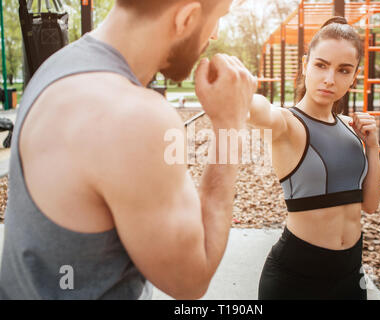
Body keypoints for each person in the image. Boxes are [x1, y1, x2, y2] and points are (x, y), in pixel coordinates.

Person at [0, 0, 257, 299]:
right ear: (187, 18)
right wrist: (229, 123)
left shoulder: (58, 66)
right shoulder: (133, 117)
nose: (214, 35)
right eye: (218, 19)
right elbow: (191, 280)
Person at [248, 17, 380, 300]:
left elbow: (370, 205)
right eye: (321, 65)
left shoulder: (352, 128)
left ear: (354, 76)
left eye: (343, 70)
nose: (330, 79)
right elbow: (259, 112)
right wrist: (248, 93)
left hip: (350, 276)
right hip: (295, 280)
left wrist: (372, 146)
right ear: (305, 64)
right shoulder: (288, 123)